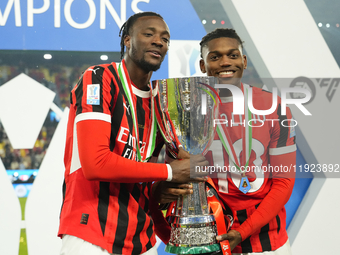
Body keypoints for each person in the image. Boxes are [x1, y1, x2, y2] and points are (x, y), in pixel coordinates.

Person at [58, 12, 208, 255]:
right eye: (149, 34)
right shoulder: (98, 78)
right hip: (91, 233)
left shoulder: (161, 102)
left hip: (142, 239)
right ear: (127, 40)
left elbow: (150, 171)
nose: (159, 41)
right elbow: (95, 164)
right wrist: (170, 172)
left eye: (165, 39)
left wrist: (164, 187)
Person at [198, 28, 296, 254]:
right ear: (203, 66)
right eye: (215, 57)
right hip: (209, 237)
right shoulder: (191, 111)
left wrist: (243, 231)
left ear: (243, 61)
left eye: (232, 55)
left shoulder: (275, 107)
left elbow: (284, 182)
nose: (225, 62)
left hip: (267, 240)